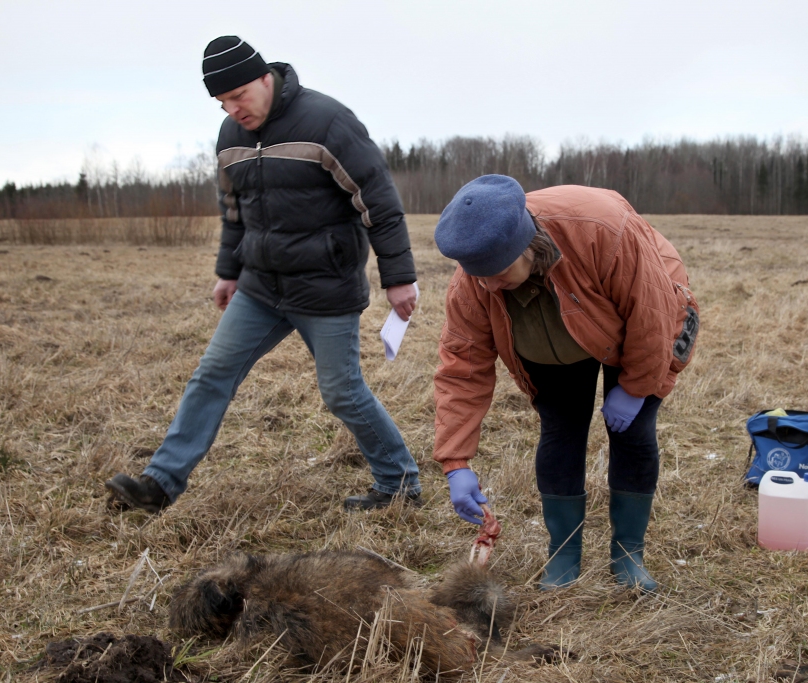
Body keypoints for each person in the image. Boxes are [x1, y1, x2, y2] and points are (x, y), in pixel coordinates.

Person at [105, 36, 421, 512]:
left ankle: (399, 482)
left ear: (263, 78)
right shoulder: (230, 137)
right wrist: (228, 272)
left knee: (341, 391)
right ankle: (160, 484)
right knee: (211, 374)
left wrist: (398, 277)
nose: (232, 110)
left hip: (325, 287)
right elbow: (235, 211)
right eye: (221, 103)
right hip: (260, 288)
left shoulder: (327, 122)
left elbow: (377, 199)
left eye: (238, 96)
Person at [432, 175, 698, 591]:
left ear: (526, 246)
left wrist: (634, 388)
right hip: (550, 343)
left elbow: (652, 316)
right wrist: (456, 462)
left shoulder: (602, 232)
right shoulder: (474, 281)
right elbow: (461, 370)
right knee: (561, 430)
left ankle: (628, 555)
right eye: (477, 277)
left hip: (636, 318)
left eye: (498, 274)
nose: (487, 286)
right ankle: (564, 554)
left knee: (634, 431)